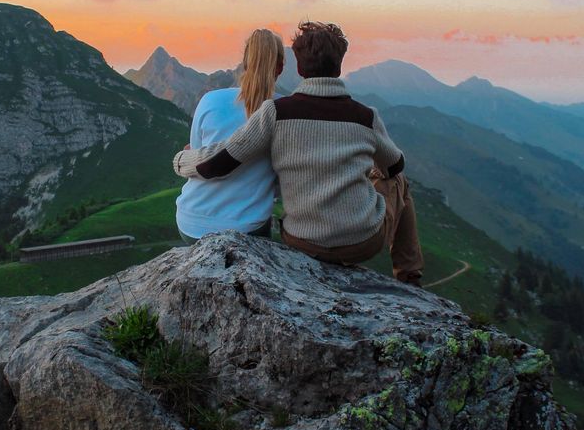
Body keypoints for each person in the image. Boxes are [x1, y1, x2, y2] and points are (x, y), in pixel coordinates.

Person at [172, 21, 424, 285]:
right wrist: (367, 171)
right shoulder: (366, 116)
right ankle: (410, 276)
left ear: (299, 67)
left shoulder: (276, 112)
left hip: (301, 241)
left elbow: (221, 161)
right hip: (361, 243)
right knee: (400, 182)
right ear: (339, 65)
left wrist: (182, 159)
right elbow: (395, 165)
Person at [174, 28, 284, 244]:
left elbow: (197, 153)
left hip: (191, 223)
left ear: (244, 63)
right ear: (280, 67)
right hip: (247, 227)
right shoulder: (285, 110)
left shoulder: (210, 100)